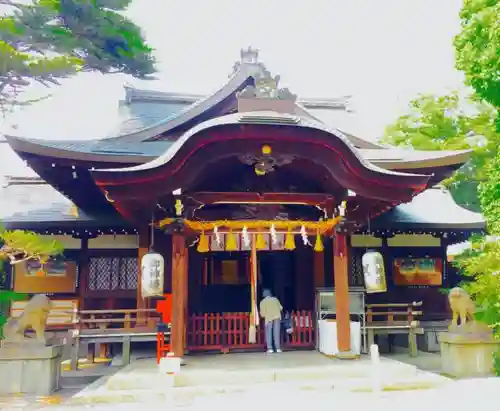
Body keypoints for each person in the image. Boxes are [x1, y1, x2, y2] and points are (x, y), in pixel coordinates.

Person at [259, 289, 283, 353]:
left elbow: (262, 314)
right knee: (276, 332)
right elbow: (281, 308)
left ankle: (270, 348)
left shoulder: (262, 302)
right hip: (277, 316)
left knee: (268, 332)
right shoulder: (275, 299)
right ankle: (278, 348)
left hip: (268, 318)